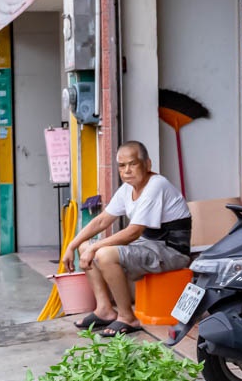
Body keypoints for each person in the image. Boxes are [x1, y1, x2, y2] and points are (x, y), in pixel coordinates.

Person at [62, 141, 191, 336]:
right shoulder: (127, 189)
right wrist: (73, 245)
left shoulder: (156, 185)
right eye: (122, 166)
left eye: (133, 164)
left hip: (171, 251)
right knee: (85, 247)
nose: (127, 171)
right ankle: (104, 309)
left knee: (103, 254)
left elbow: (133, 232)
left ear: (147, 164)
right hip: (149, 246)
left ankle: (127, 317)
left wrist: (94, 249)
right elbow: (102, 220)